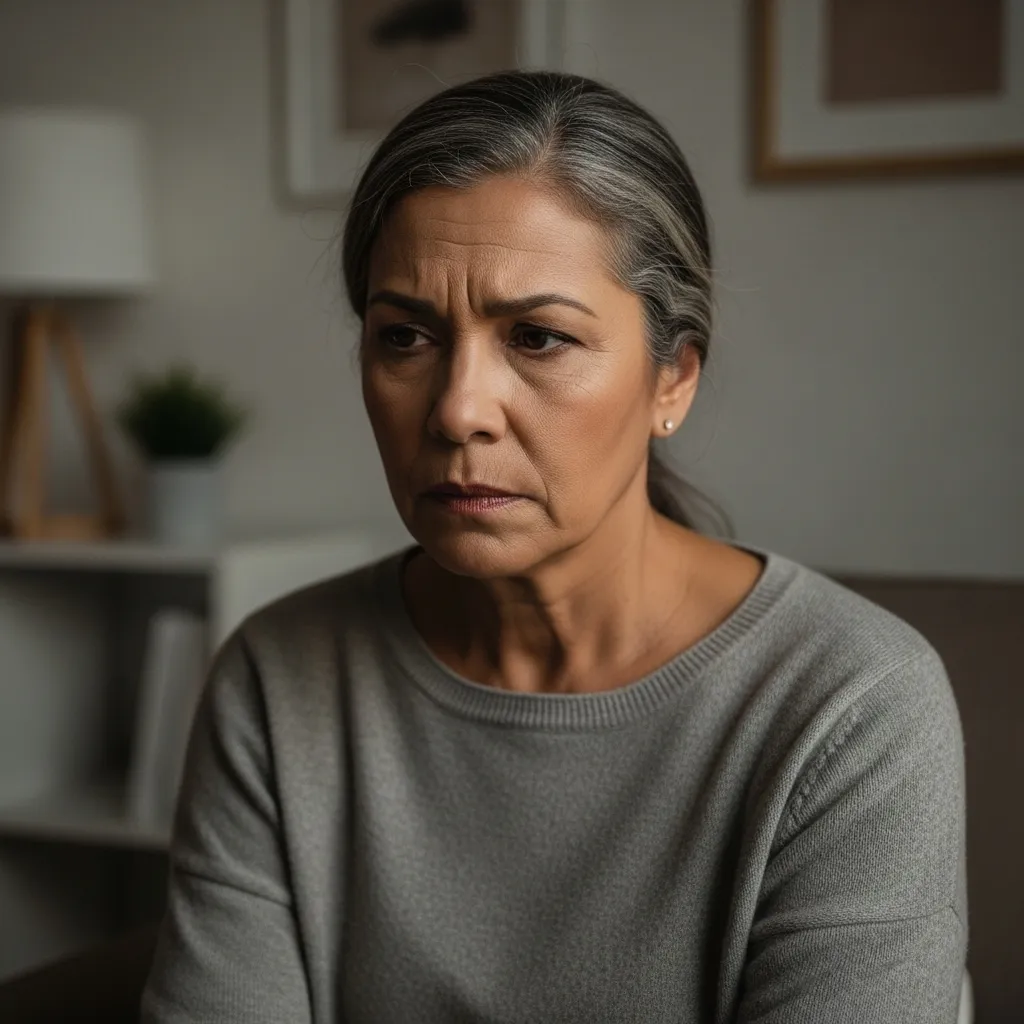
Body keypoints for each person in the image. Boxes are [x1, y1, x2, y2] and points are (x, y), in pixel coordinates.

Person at [141, 71, 967, 1023]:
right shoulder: (277, 680)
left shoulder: (852, 709)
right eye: (404, 336)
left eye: (537, 338)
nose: (457, 410)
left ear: (674, 378)